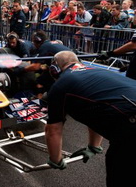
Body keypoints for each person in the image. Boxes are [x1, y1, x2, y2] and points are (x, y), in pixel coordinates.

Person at [45, 50, 136, 187]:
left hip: (131, 124)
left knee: (119, 174)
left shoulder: (60, 85)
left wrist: (56, 159)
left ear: (54, 70)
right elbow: (95, 113)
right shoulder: (96, 71)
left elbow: (53, 130)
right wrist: (94, 146)